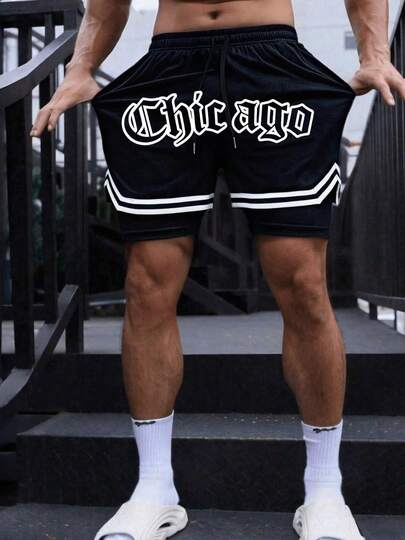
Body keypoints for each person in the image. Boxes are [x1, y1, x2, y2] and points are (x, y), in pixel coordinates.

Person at [31, 1, 405, 539]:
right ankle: (154, 488)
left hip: (272, 63)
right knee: (147, 283)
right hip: (170, 67)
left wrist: (374, 52)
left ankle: (325, 491)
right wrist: (80, 68)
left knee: (303, 282)